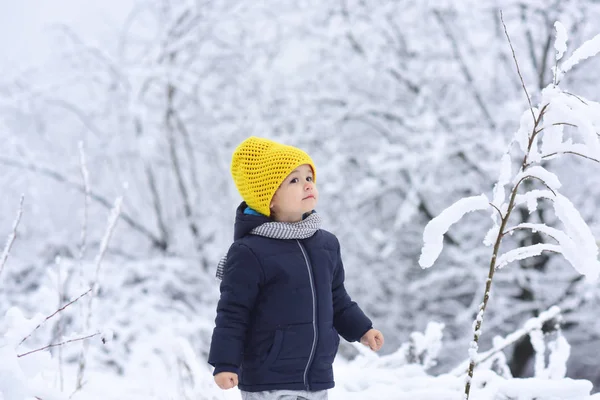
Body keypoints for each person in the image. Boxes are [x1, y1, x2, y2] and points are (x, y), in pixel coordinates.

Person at [208, 136, 384, 400]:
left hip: (316, 377)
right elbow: (233, 313)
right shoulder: (250, 252)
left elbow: (336, 297)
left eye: (309, 178)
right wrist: (225, 363)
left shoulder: (326, 244)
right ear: (269, 198)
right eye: (294, 180)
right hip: (268, 379)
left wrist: (362, 329)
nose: (306, 185)